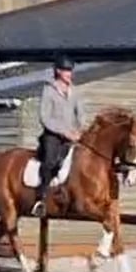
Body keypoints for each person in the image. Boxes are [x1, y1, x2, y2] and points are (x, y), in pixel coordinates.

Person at [31, 54, 86, 217]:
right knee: (50, 161)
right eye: (66, 70)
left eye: (70, 70)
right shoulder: (49, 90)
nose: (69, 73)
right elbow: (44, 117)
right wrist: (64, 132)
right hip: (53, 135)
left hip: (73, 136)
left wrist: (80, 129)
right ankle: (40, 199)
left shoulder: (74, 91)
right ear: (58, 71)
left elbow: (81, 113)